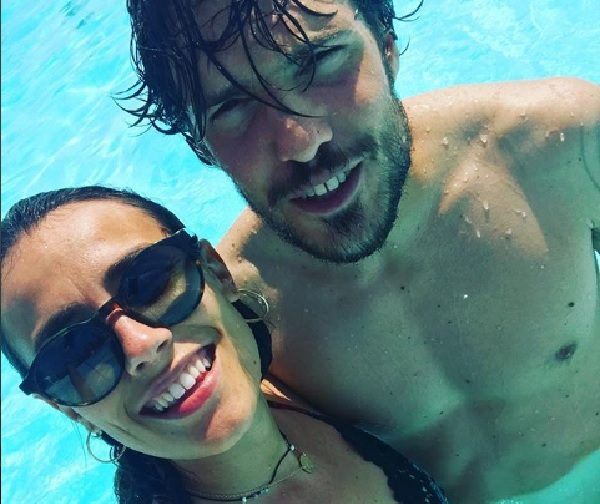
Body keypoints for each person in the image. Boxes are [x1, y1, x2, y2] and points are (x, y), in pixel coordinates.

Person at [123, 0, 600, 502]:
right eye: (232, 107)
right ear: (201, 147)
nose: (301, 143)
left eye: (320, 61)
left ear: (387, 45)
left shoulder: (561, 147)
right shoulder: (241, 312)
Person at [0, 186, 449, 504]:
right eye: (75, 352)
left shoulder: (302, 377)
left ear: (216, 271)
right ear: (67, 408)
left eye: (151, 281)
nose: (141, 346)